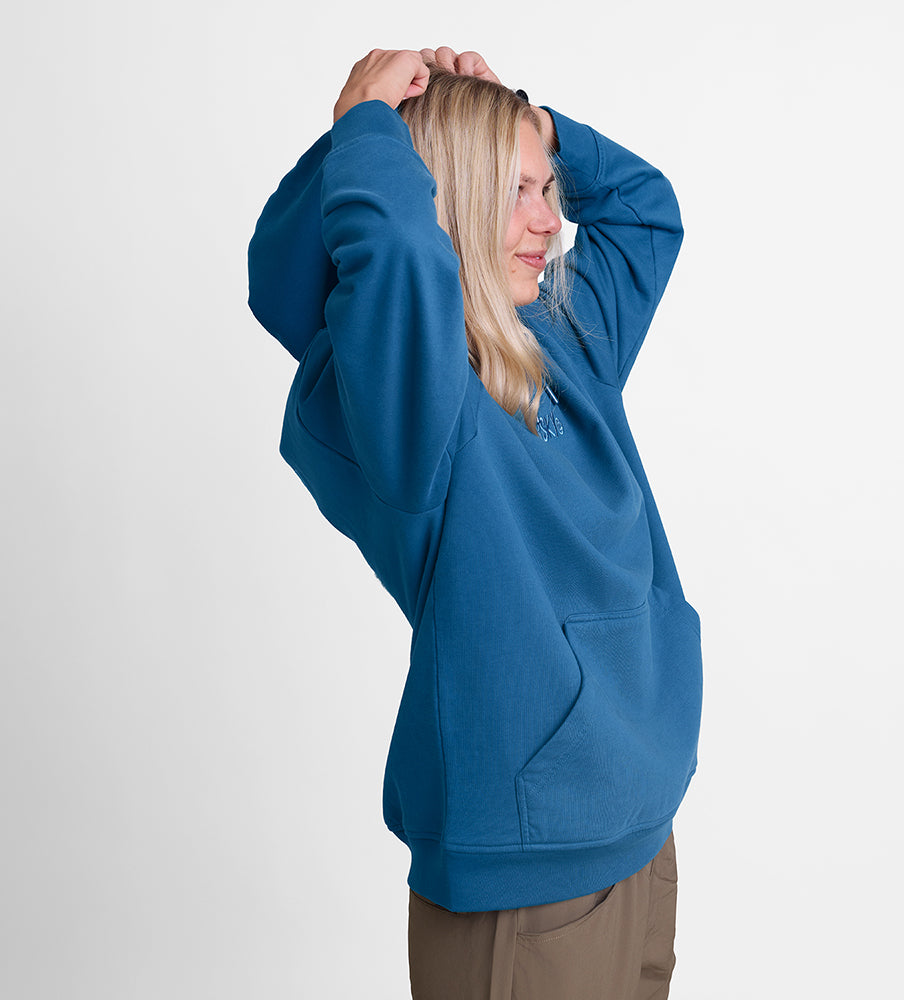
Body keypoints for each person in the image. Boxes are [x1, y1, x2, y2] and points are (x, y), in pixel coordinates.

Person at [248, 46, 702, 1000]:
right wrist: (364, 131)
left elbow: (644, 210)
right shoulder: (413, 404)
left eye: (548, 188)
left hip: (638, 826)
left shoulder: (563, 340)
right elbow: (371, 268)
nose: (551, 220)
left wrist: (534, 128)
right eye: (515, 192)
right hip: (527, 870)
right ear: (444, 202)